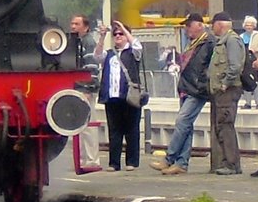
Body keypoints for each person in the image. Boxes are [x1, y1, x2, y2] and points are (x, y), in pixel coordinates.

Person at [152, 13, 213, 175]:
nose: (186, 29)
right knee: (187, 126)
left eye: (188, 25)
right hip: (185, 88)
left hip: (197, 89)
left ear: (199, 25)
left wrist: (202, 83)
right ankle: (182, 163)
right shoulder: (193, 43)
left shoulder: (209, 43)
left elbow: (210, 66)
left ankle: (169, 158)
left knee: (182, 121)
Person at [95, 19, 144, 170]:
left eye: (121, 34)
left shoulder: (133, 52)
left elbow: (137, 45)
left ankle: (132, 162)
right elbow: (97, 56)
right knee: (114, 131)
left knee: (132, 129)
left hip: (129, 96)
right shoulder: (109, 54)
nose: (117, 36)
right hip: (112, 97)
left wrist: (123, 27)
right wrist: (102, 36)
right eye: (115, 34)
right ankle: (114, 163)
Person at [207, 11, 245, 174]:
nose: (211, 28)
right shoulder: (222, 42)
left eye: (212, 24)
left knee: (226, 125)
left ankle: (231, 164)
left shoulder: (232, 41)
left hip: (228, 91)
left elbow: (235, 66)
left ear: (219, 24)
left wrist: (225, 84)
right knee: (221, 126)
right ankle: (228, 162)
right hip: (220, 92)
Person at [70, 14, 102, 171]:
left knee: (88, 125)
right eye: (72, 23)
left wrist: (88, 88)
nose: (73, 26)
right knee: (81, 125)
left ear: (86, 27)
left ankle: (92, 159)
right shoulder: (78, 42)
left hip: (85, 89)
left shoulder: (88, 42)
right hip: (79, 88)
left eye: (76, 24)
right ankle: (84, 158)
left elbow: (92, 66)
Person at [240, 16, 258, 109]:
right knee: (246, 81)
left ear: (254, 26)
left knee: (256, 82)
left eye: (251, 25)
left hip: (255, 61)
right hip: (245, 62)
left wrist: (257, 50)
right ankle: (248, 103)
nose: (249, 27)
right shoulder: (241, 36)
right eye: (247, 25)